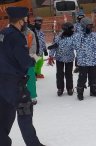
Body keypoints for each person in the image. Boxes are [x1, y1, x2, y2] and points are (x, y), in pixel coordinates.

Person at [0, 7, 37, 146]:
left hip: (2, 83)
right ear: (21, 21)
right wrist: (33, 59)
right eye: (26, 19)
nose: (27, 21)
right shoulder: (17, 37)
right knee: (25, 113)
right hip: (15, 84)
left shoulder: (3, 33)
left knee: (4, 116)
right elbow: (24, 61)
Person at [48, 22, 76, 96]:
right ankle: (60, 88)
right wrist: (51, 55)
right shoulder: (58, 37)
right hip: (59, 58)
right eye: (71, 29)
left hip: (69, 58)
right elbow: (54, 47)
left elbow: (77, 47)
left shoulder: (74, 37)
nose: (73, 30)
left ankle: (69, 88)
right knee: (60, 74)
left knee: (69, 74)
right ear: (66, 29)